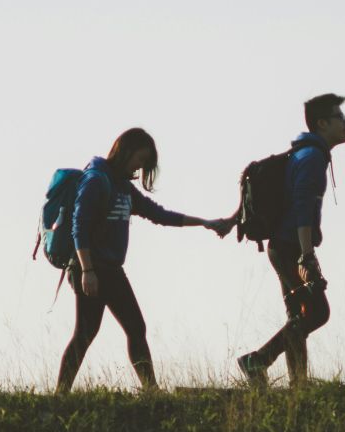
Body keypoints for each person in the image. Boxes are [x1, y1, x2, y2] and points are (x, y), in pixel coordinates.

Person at [57, 127, 231, 394]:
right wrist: (87, 270)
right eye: (139, 159)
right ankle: (62, 394)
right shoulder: (96, 180)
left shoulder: (123, 187)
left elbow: (159, 214)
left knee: (134, 327)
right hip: (90, 268)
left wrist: (204, 223)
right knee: (86, 333)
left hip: (112, 270)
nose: (140, 168)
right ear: (125, 152)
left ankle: (151, 391)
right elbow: (78, 227)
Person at [237, 93, 345, 387]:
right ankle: (257, 360)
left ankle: (298, 384)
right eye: (340, 117)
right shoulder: (312, 157)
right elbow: (302, 206)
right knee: (317, 312)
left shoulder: (305, 153)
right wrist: (306, 255)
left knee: (298, 315)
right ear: (322, 124)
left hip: (283, 245)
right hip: (291, 247)